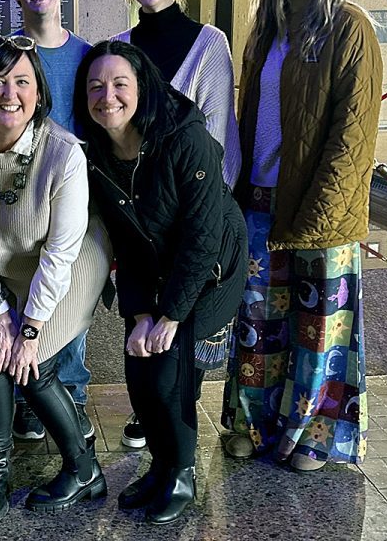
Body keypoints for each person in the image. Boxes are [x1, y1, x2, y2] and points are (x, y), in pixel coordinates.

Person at [221, 0, 382, 472]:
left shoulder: (349, 29)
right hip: (260, 204)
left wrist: (320, 216)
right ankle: (253, 424)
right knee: (257, 324)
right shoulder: (267, 30)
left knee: (319, 335)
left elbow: (352, 137)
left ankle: (312, 435)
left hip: (321, 211)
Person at [0, 36, 112, 521]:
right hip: (1, 259)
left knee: (32, 364)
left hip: (70, 262)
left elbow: (60, 253)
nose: (9, 94)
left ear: (38, 92)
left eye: (22, 81)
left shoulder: (64, 153)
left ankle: (84, 469)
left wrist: (29, 329)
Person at [74, 40, 247, 524]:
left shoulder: (185, 140)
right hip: (155, 268)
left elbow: (202, 238)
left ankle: (182, 473)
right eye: (95, 87)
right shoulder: (97, 154)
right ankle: (161, 464)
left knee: (170, 364)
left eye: (119, 84)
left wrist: (170, 315)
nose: (107, 96)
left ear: (143, 88)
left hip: (212, 270)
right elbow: (125, 242)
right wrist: (140, 313)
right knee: (138, 361)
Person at [112, 0, 242, 448]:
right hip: (141, 214)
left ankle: (178, 422)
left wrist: (203, 213)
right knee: (143, 314)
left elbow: (219, 135)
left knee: (182, 317)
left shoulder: (209, 44)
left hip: (193, 206)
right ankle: (146, 409)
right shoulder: (120, 48)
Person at [6, 0, 96, 441]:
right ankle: (29, 399)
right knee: (26, 300)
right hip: (21, 200)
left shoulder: (87, 57)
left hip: (76, 203)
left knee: (72, 299)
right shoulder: (6, 55)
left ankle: (73, 396)